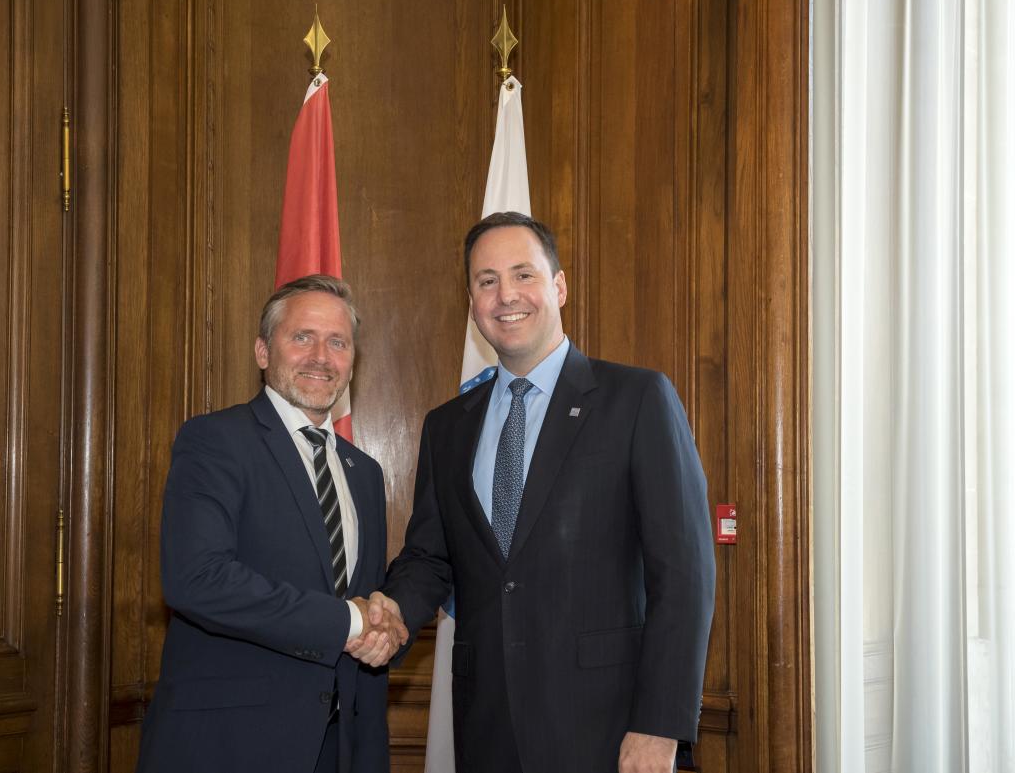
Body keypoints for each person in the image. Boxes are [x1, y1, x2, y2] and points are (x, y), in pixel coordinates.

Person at [363, 213, 715, 773]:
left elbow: (685, 573)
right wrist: (389, 613)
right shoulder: (446, 427)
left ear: (559, 286)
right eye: (486, 281)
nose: (507, 295)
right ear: (472, 302)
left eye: (523, 274)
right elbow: (431, 558)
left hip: (612, 733)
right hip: (488, 730)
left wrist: (659, 725)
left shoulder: (636, 399)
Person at [137, 275, 407, 773]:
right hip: (232, 746)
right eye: (302, 337)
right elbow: (197, 579)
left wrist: (384, 626)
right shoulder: (215, 440)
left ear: (352, 361)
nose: (321, 357)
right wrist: (349, 622)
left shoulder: (364, 473)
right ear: (263, 351)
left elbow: (360, 595)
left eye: (337, 342)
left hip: (342, 747)